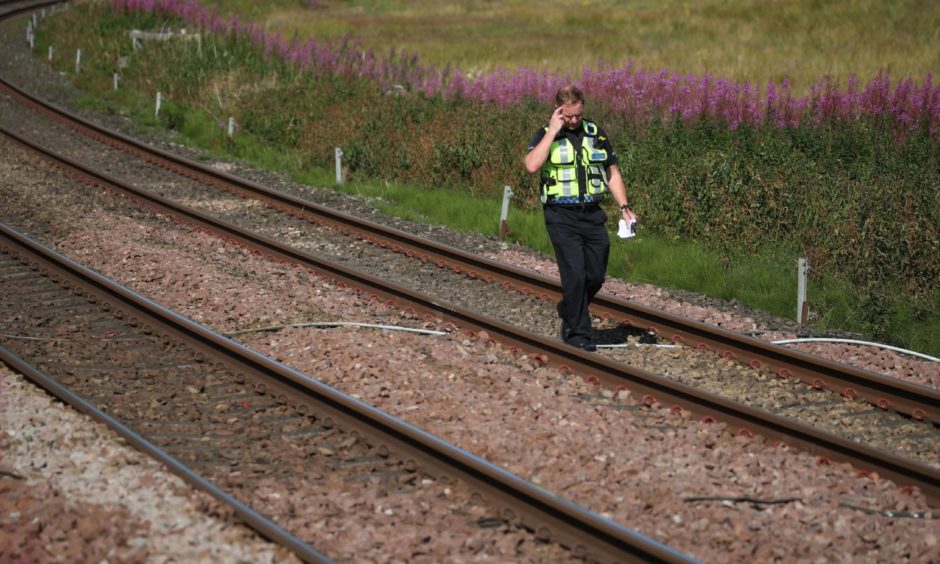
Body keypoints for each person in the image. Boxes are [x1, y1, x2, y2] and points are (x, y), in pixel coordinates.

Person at [524, 84, 636, 351]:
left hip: (593, 214)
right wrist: (553, 130)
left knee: (595, 276)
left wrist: (624, 206)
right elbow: (531, 165)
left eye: (577, 115)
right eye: (568, 116)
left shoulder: (596, 133)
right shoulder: (545, 133)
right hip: (560, 215)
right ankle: (578, 333)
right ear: (558, 110)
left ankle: (568, 308)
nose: (574, 120)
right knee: (574, 275)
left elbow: (612, 173)